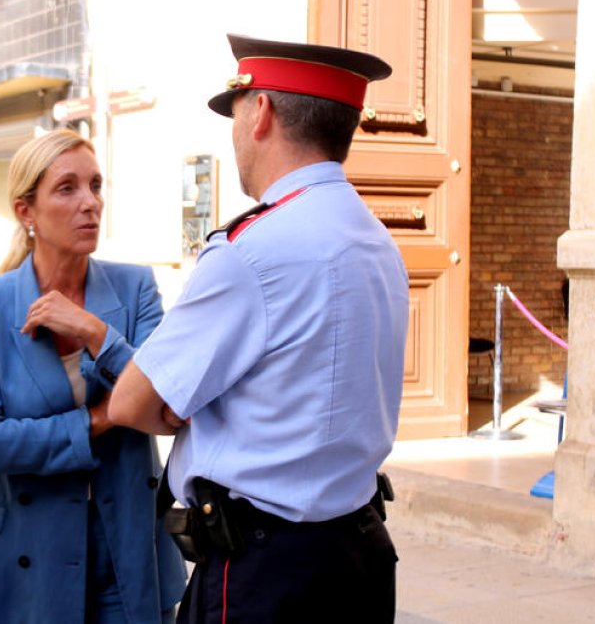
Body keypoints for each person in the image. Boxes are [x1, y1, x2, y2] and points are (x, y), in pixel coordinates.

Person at [107, 34, 410, 623]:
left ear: (262, 111)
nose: (235, 131)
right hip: (358, 552)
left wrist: (185, 407)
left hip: (266, 574)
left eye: (236, 112)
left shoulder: (252, 250)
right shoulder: (378, 241)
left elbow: (132, 401)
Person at [0, 129, 186, 624]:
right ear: (25, 212)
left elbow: (168, 402)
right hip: (25, 551)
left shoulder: (136, 287)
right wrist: (101, 418)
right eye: (68, 188)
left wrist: (98, 334)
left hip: (125, 546)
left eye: (96, 185)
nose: (90, 203)